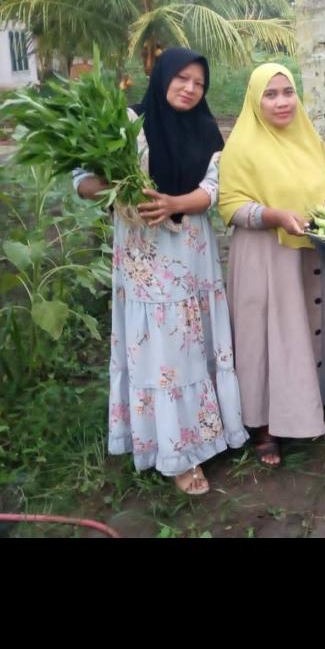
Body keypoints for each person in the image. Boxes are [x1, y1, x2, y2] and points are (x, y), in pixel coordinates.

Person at [74, 48, 246, 496]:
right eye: (182, 78)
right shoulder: (126, 122)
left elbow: (214, 187)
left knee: (194, 341)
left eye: (199, 83)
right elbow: (81, 178)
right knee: (164, 350)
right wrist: (116, 188)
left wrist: (174, 203)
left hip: (191, 251)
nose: (190, 89)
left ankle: (206, 432)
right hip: (144, 253)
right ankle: (176, 453)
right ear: (163, 76)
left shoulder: (206, 129)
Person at [218, 63, 325, 469]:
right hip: (265, 253)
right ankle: (263, 427)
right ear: (255, 100)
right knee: (265, 336)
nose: (281, 102)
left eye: (287, 92)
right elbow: (230, 205)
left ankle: (308, 404)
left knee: (305, 326)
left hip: (309, 249)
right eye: (270, 94)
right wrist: (273, 215)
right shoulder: (242, 145)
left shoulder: (307, 135)